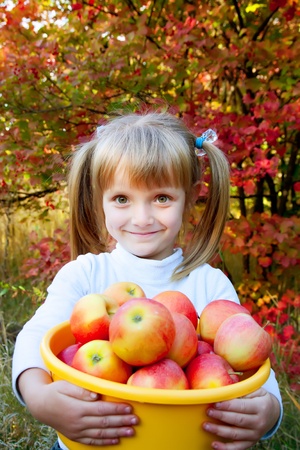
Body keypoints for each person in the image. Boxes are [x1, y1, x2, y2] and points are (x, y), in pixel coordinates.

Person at [12, 111, 282, 450]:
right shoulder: (85, 276)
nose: (142, 218)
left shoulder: (210, 286)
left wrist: (268, 412)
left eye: (162, 198)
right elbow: (35, 338)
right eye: (122, 199)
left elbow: (253, 364)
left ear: (191, 196)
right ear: (101, 200)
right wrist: (38, 397)